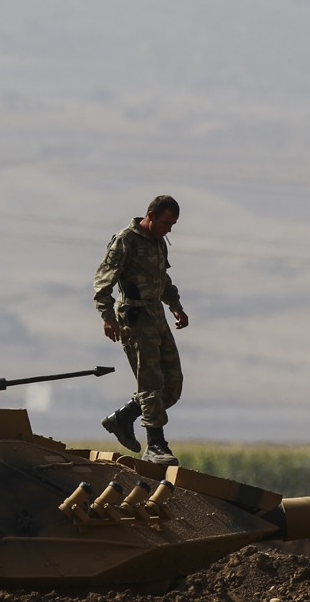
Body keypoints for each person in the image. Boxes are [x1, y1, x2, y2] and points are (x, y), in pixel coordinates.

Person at [93, 195, 188, 466]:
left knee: (172, 384)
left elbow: (162, 279)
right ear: (151, 215)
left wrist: (175, 305)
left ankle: (123, 417)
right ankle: (156, 444)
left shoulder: (159, 243)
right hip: (135, 318)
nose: (169, 229)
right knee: (150, 382)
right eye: (166, 222)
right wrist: (108, 316)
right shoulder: (126, 241)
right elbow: (103, 281)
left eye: (173, 224)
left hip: (157, 315)